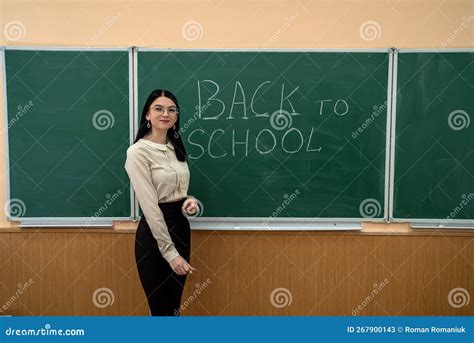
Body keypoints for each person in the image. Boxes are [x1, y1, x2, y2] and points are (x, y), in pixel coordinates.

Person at [124, 89, 198, 316]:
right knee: (161, 308)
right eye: (158, 108)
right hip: (155, 237)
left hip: (181, 228)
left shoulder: (175, 148)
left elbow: (174, 191)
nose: (165, 113)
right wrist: (170, 253)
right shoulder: (137, 152)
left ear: (176, 116)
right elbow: (150, 206)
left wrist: (188, 200)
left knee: (174, 307)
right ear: (147, 114)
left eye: (171, 109)